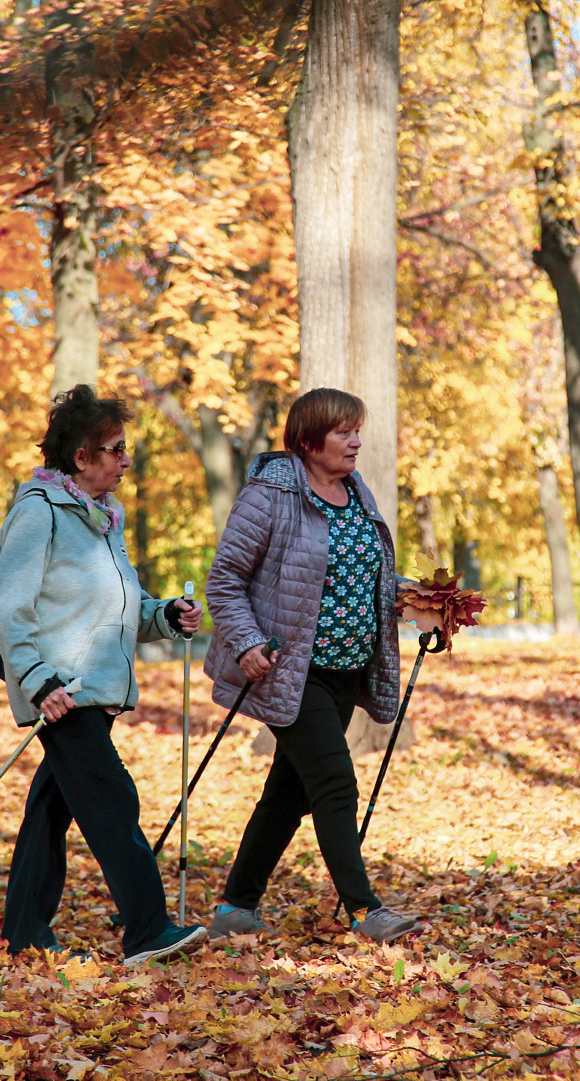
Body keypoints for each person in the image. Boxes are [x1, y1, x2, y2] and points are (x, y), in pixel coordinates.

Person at [0, 385, 207, 964]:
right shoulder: (38, 513)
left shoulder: (102, 519)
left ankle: (24, 933)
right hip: (64, 691)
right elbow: (8, 609)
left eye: (124, 447)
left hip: (94, 688)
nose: (125, 460)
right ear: (81, 457)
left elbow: (123, 602)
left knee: (49, 812)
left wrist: (165, 616)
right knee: (112, 800)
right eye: (114, 449)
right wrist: (37, 680)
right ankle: (146, 929)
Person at [201, 387, 425, 942]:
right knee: (332, 781)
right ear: (307, 440)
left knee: (288, 792)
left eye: (357, 429)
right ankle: (362, 909)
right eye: (342, 431)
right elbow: (225, 580)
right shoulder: (270, 497)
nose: (355, 441)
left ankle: (235, 908)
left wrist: (413, 597)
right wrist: (247, 641)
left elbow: (358, 577)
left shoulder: (357, 493)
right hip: (290, 669)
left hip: (348, 669)